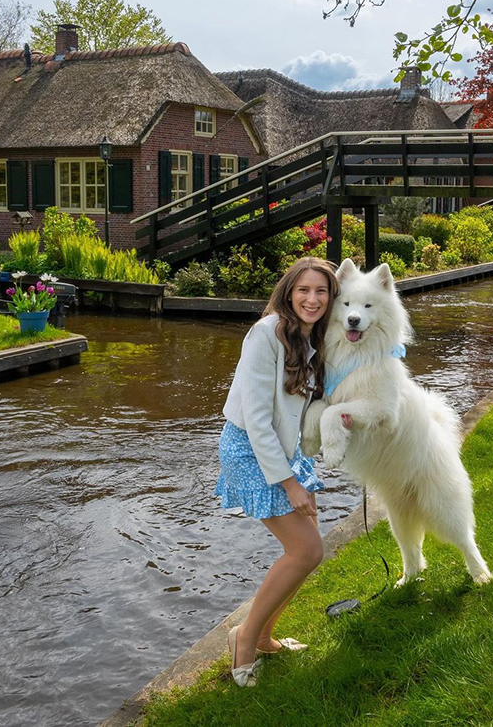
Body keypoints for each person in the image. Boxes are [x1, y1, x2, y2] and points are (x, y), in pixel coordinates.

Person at [215, 256, 340, 687]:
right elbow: (256, 415)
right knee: (306, 551)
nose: (312, 298)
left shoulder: (318, 337)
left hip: (287, 452)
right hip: (252, 450)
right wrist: (288, 483)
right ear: (289, 292)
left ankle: (265, 636)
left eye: (322, 291)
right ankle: (243, 640)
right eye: (304, 290)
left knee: (304, 552)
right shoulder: (265, 334)